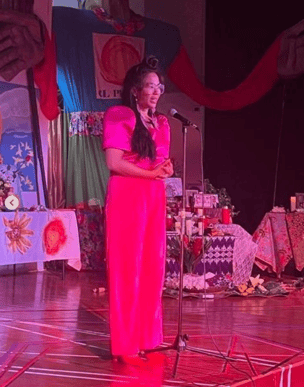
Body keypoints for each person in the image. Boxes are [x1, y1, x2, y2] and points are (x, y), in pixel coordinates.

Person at [103, 56, 173, 365]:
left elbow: (157, 162)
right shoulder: (119, 115)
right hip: (127, 195)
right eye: (150, 86)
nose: (156, 92)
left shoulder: (162, 123)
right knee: (126, 269)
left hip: (153, 196)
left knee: (152, 268)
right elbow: (114, 162)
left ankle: (148, 338)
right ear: (135, 90)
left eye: (160, 87)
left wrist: (165, 170)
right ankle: (125, 345)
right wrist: (150, 174)